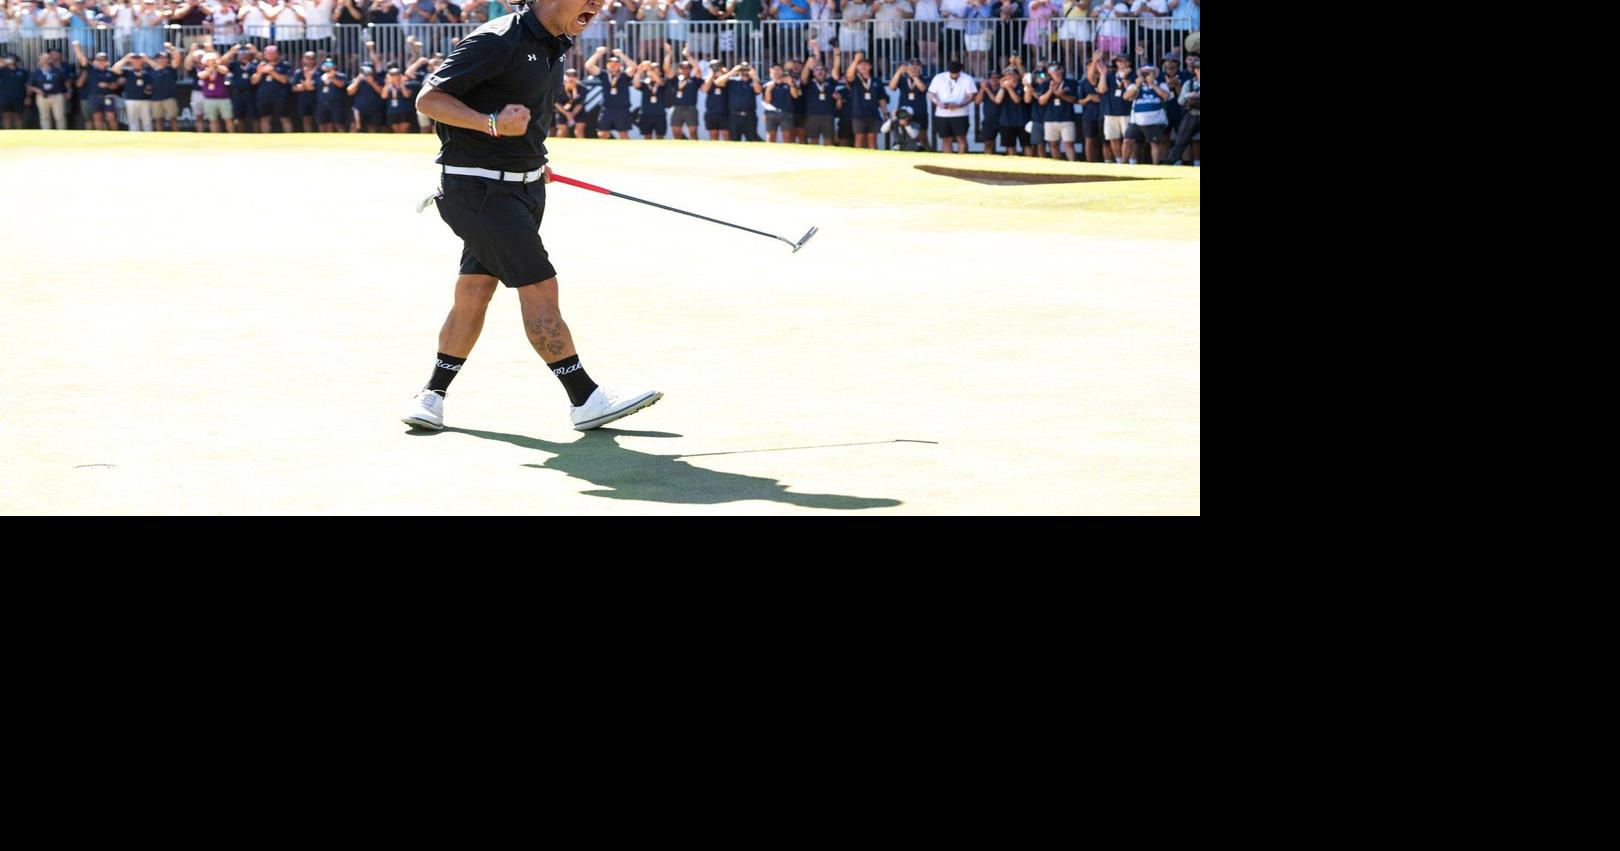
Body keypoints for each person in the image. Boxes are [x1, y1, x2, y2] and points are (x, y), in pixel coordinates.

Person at [406, 0, 661, 433]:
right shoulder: (497, 38)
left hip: (521, 187)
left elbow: (521, 118)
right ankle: (584, 397)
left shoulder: (553, 44)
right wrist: (489, 123)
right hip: (480, 190)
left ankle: (431, 395)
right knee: (539, 284)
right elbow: (429, 99)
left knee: (475, 289)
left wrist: (529, 161)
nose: (598, 6)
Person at [926, 57, 971, 152]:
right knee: (946, 139)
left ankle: (962, 161)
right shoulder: (939, 77)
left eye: (957, 73)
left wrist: (960, 104)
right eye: (952, 73)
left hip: (960, 113)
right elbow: (931, 93)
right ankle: (947, 161)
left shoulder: (967, 78)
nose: (954, 75)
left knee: (961, 138)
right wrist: (938, 103)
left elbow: (971, 95)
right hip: (942, 113)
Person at [1033, 60, 1075, 159]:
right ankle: (1057, 166)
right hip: (1050, 118)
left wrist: (1062, 95)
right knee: (1053, 145)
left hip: (1067, 118)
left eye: (1057, 68)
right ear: (1048, 71)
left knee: (1069, 145)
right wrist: (1051, 91)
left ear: (1062, 70)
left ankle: (1073, 167)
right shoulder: (1045, 84)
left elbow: (1074, 100)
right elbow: (1041, 101)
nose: (1055, 71)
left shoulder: (1070, 82)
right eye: (1052, 69)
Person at [842, 50, 882, 148]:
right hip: (858, 114)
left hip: (873, 114)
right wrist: (856, 60)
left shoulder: (876, 80)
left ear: (870, 66)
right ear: (857, 67)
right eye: (860, 64)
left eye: (866, 64)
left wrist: (885, 113)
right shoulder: (855, 79)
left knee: (872, 138)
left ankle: (873, 160)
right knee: (859, 139)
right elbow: (848, 75)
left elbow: (882, 98)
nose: (863, 66)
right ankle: (858, 160)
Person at [250, 42, 292, 131]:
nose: (271, 55)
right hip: (263, 96)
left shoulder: (285, 65)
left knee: (284, 118)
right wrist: (259, 72)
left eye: (273, 53)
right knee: (264, 118)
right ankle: (265, 139)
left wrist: (272, 72)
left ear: (278, 54)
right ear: (264, 54)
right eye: (268, 53)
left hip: (280, 96)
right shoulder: (259, 65)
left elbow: (284, 80)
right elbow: (253, 81)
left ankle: (289, 138)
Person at [798, 50, 836, 144]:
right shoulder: (809, 83)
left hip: (828, 116)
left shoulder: (830, 83)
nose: (819, 71)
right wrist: (807, 65)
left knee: (829, 141)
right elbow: (803, 78)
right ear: (813, 73)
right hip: (812, 116)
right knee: (814, 141)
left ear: (826, 72)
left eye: (822, 69)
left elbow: (836, 72)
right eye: (817, 69)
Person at [1164, 52, 1195, 164]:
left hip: (1180, 111)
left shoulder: (1185, 76)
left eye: (1172, 61)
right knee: (1164, 138)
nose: (1169, 63)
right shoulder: (1160, 76)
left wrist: (1177, 85)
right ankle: (1167, 162)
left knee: (1183, 139)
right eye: (1167, 61)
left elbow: (1184, 97)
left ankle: (1185, 163)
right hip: (1164, 111)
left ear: (1177, 63)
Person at [312, 56, 347, 129]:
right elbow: (312, 86)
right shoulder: (319, 76)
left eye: (330, 65)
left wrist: (332, 77)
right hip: (322, 104)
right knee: (324, 124)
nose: (328, 67)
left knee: (338, 124)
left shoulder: (340, 76)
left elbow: (341, 85)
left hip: (336, 104)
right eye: (326, 65)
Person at [1, 53, 28, 129]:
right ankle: (7, 135)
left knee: (18, 117)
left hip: (19, 97)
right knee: (6, 117)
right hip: (5, 98)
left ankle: (19, 135)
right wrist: (2, 64)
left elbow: (27, 85)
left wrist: (27, 97)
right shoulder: (2, 71)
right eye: (8, 58)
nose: (9, 60)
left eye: (11, 58)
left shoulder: (23, 71)